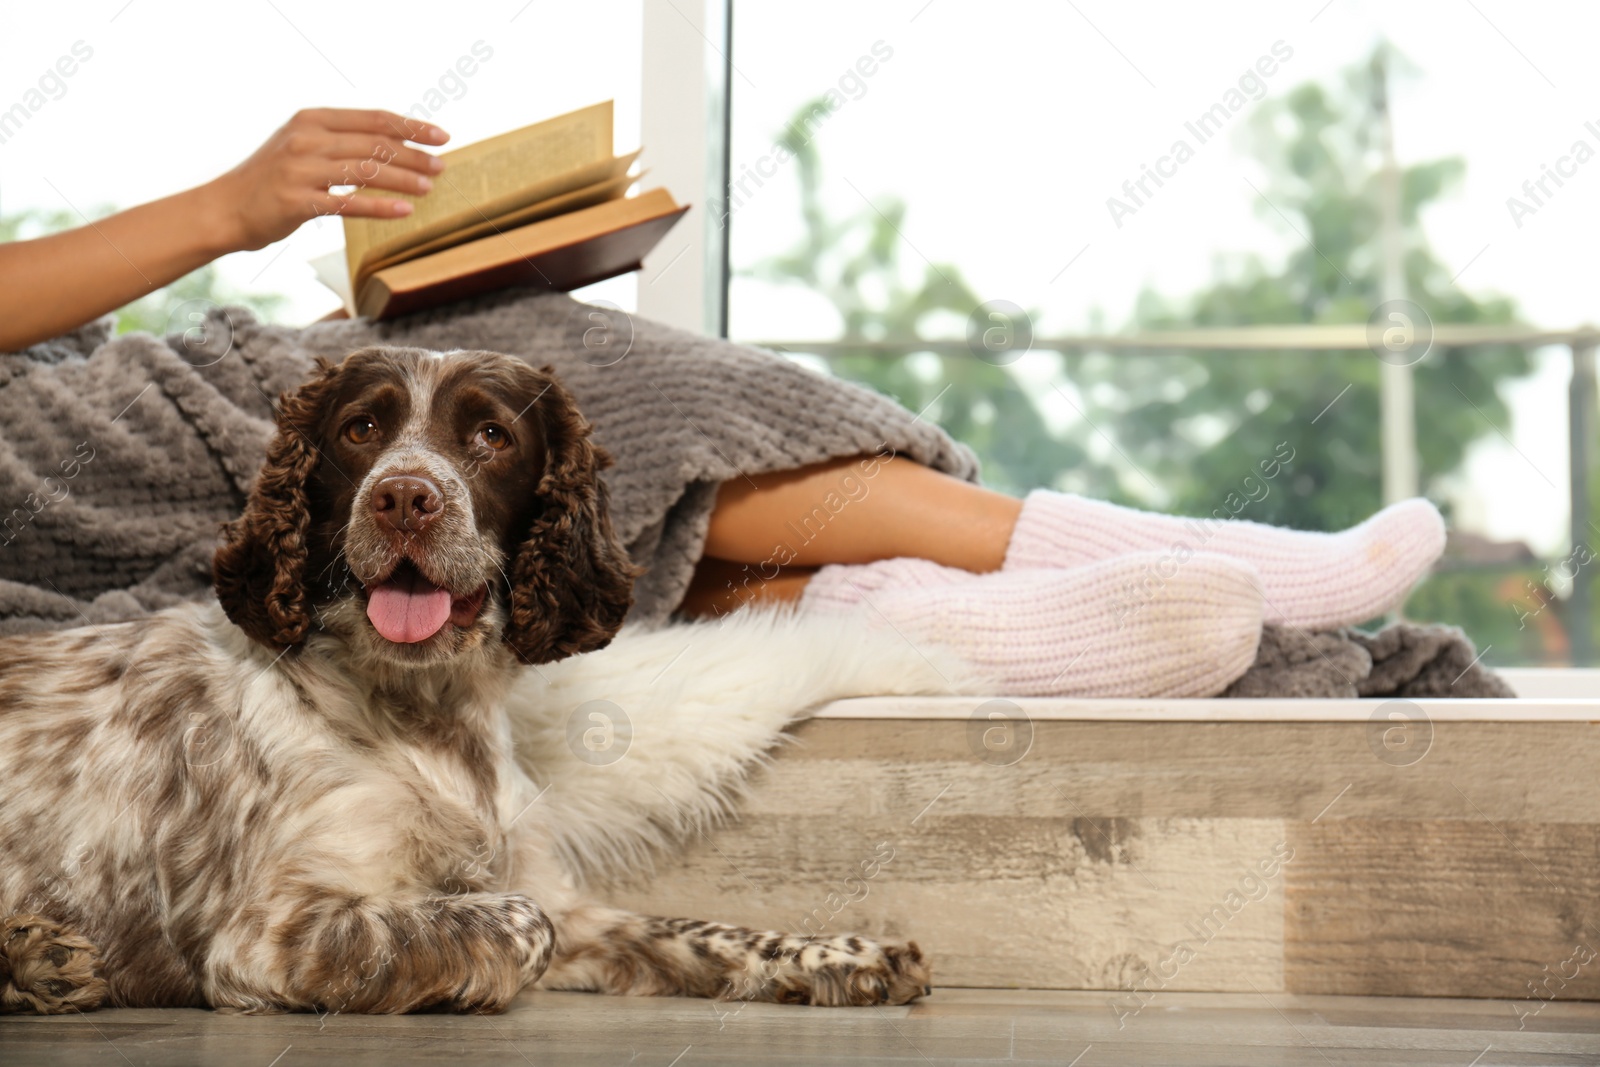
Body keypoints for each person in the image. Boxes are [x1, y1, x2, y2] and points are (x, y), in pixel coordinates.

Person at [0, 109, 1446, 698]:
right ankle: (1153, 554)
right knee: (538, 363)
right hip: (78, 457)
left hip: (95, 424)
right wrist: (233, 206)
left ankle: (1035, 621)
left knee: (536, 473)